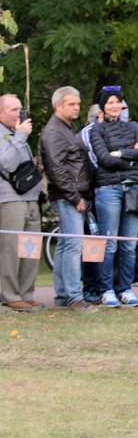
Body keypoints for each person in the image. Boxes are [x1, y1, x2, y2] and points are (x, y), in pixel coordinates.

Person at [90, 86, 138, 307]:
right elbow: (104, 159)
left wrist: (121, 153)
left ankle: (126, 288)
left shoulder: (132, 127)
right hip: (109, 190)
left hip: (132, 190)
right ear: (103, 107)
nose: (115, 106)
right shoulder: (97, 130)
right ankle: (106, 289)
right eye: (110, 102)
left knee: (128, 244)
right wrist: (129, 156)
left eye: (118, 102)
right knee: (110, 243)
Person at [38, 86, 96, 310]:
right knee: (73, 245)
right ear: (58, 105)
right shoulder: (54, 132)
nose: (77, 108)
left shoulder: (65, 129)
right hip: (67, 196)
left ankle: (63, 295)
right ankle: (74, 297)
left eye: (78, 104)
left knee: (64, 244)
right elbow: (56, 169)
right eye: (71, 104)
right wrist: (75, 197)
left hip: (69, 194)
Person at [0, 94, 43, 310]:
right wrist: (19, 137)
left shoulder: (17, 133)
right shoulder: (7, 134)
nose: (19, 114)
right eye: (13, 110)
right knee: (11, 248)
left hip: (30, 197)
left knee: (31, 247)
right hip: (9, 198)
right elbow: (7, 163)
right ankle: (9, 294)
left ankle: (26, 293)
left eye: (20, 109)